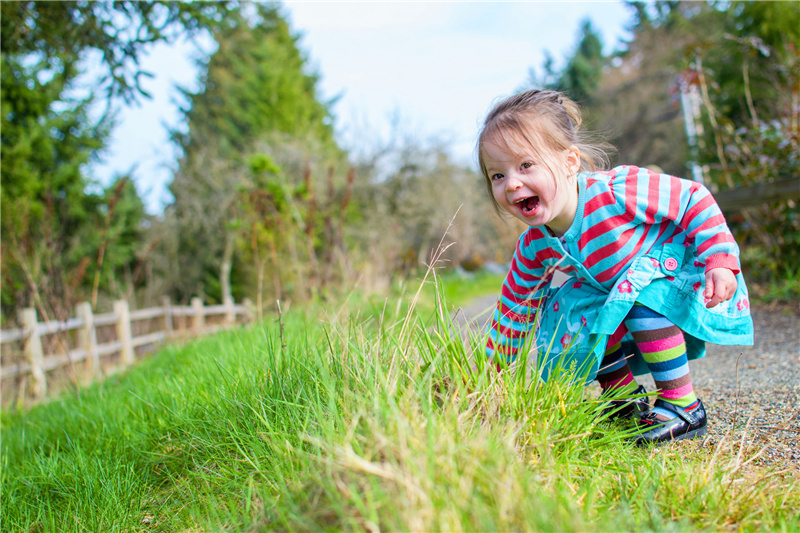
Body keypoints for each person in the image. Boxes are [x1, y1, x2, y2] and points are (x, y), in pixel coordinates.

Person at [478, 89, 754, 445]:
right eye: (497, 176)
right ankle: (625, 402)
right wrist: (489, 378)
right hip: (620, 294)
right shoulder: (534, 247)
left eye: (525, 165)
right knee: (574, 312)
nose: (512, 183)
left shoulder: (616, 192)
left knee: (640, 297)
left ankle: (683, 404)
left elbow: (692, 197)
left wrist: (719, 259)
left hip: (674, 277)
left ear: (569, 162)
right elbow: (514, 312)